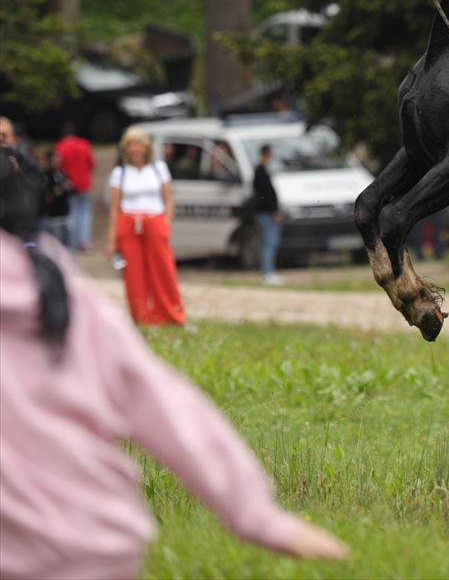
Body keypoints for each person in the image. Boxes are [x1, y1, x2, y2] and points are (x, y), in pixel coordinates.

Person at [0, 149, 349, 578]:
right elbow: (165, 403)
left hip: (41, 553)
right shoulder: (63, 293)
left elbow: (159, 401)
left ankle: (164, 313)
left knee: (158, 278)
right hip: (99, 538)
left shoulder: (63, 295)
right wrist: (257, 515)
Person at [105, 127, 186, 325]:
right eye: (129, 145)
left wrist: (165, 224)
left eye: (137, 144)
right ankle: (141, 318)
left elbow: (169, 200)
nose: (134, 149)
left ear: (146, 147)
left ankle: (171, 315)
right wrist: (111, 240)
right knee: (134, 275)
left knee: (163, 270)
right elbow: (114, 208)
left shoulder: (159, 169)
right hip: (129, 221)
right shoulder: (120, 173)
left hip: (154, 220)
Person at [55, 121, 94, 251]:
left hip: (69, 185)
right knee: (84, 212)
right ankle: (83, 240)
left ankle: (72, 239)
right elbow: (91, 163)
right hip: (84, 183)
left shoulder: (60, 147)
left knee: (71, 213)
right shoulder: (84, 144)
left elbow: (58, 167)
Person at [253, 144, 286, 286]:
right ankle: (267, 274)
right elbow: (265, 195)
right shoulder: (261, 171)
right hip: (267, 214)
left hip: (266, 212)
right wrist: (273, 210)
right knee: (269, 243)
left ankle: (269, 272)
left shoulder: (261, 170)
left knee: (270, 243)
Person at [41, 150, 73, 247]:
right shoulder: (45, 176)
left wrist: (66, 189)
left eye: (59, 161)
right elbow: (48, 195)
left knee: (69, 247)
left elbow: (69, 189)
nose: (58, 164)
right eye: (55, 162)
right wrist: (56, 192)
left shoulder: (61, 174)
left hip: (66, 217)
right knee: (57, 248)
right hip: (53, 219)